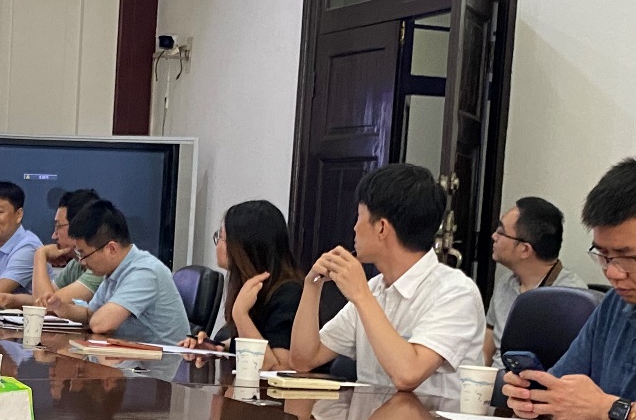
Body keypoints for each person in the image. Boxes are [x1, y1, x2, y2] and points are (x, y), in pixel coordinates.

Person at [290, 163, 485, 398]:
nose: (354, 227)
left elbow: (408, 374)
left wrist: (361, 296)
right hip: (372, 417)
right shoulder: (375, 288)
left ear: (382, 228)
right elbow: (304, 360)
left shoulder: (455, 292)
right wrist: (312, 286)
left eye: (359, 217)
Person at [504, 158, 636, 420]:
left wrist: (606, 409)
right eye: (604, 255)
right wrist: (536, 400)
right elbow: (561, 390)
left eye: (628, 257)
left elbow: (597, 408)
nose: (613, 273)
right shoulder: (614, 305)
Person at [180, 200, 303, 371]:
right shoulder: (254, 287)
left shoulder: (289, 294)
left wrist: (240, 314)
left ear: (241, 246)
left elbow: (278, 368)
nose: (217, 244)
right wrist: (215, 347)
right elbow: (258, 340)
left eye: (220, 237)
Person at [46, 200, 190, 345]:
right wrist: (60, 307)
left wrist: (93, 318)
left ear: (111, 249)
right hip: (130, 354)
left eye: (84, 254)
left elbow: (101, 324)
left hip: (162, 357)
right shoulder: (114, 271)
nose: (82, 262)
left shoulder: (145, 271)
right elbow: (89, 314)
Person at [484, 196, 589, 363]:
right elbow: (488, 344)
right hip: (495, 377)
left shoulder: (572, 298)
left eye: (501, 232)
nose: (494, 236)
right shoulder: (506, 283)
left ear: (525, 250)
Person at [0, 188, 102, 310]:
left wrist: (40, 254)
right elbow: (42, 299)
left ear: (80, 226)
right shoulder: (75, 265)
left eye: (58, 226)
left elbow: (46, 305)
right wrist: (10, 300)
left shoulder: (99, 267)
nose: (54, 235)